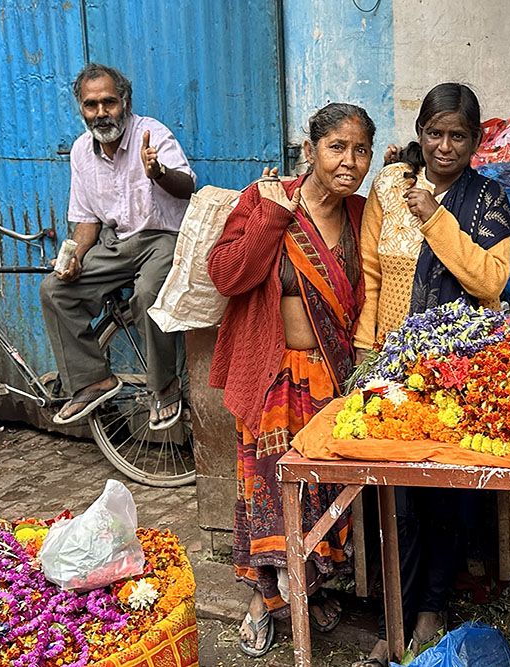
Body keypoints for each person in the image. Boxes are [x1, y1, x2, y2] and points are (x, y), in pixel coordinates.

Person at [352, 83, 510, 667]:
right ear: (419, 134)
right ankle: (394, 615)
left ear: (475, 142)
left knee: (444, 493)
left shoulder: (488, 198)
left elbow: (490, 281)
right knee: (394, 498)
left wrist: (437, 219)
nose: (445, 147)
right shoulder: (390, 187)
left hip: (457, 370)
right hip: (392, 367)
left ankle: (432, 608)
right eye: (435, 133)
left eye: (459, 136)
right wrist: (366, 354)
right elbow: (370, 273)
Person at [206, 103, 376, 657]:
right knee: (269, 493)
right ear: (310, 150)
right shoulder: (265, 200)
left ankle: (309, 589)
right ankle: (264, 599)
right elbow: (229, 275)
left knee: (325, 495)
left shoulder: (358, 215)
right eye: (337, 148)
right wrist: (273, 216)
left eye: (361, 150)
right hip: (273, 375)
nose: (350, 161)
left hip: (332, 378)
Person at [40, 63, 195, 430]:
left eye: (108, 102)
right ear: (81, 107)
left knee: (147, 294)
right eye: (91, 105)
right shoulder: (81, 151)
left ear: (124, 101)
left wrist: (157, 172)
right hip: (116, 242)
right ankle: (94, 380)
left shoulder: (151, 134)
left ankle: (165, 387)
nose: (100, 113)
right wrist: (75, 256)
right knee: (55, 290)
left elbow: (187, 186)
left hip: (162, 238)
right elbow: (86, 220)